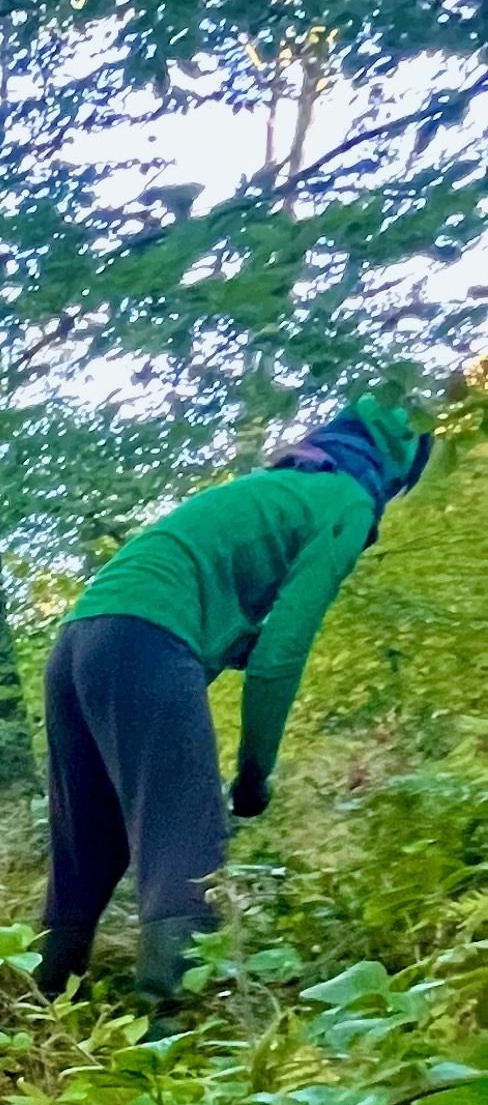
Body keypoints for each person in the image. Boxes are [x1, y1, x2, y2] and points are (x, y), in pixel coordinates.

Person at [39, 395, 431, 1007]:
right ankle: (171, 1018)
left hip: (79, 637)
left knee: (88, 839)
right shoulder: (346, 501)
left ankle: (42, 1001)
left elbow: (223, 602)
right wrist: (254, 772)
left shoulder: (274, 489)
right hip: (148, 632)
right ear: (396, 469)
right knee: (183, 831)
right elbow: (282, 655)